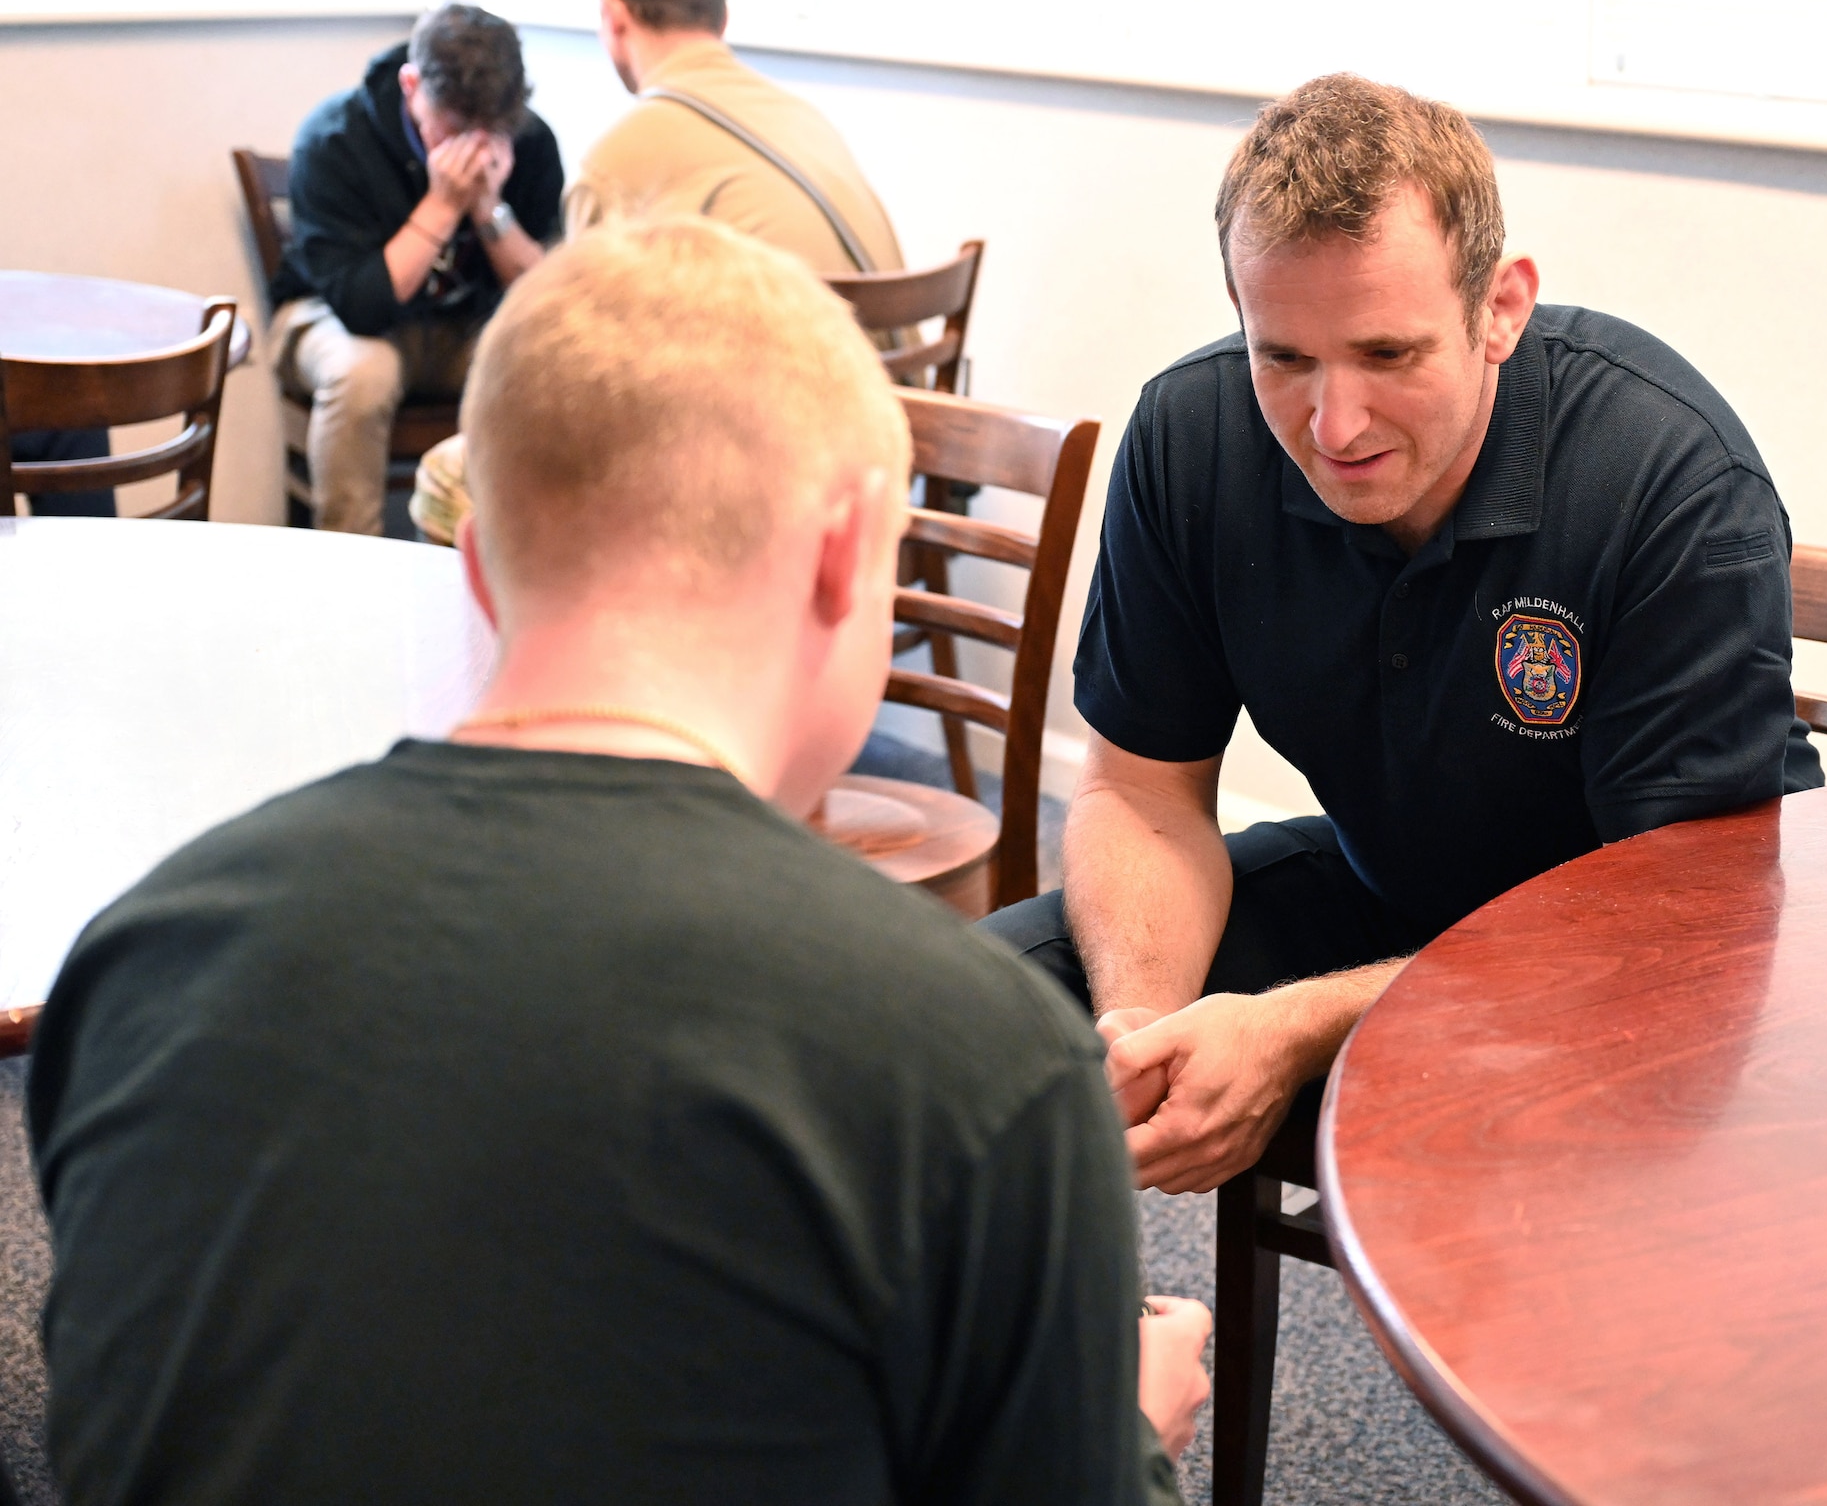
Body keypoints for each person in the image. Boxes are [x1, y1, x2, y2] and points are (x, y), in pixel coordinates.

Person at [30, 215, 1209, 1505]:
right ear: (841, 549)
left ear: (477, 570)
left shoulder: (137, 961)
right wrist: (1129, 1435)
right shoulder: (974, 1065)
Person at [984, 73, 1824, 1196]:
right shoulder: (1190, 436)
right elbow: (1137, 790)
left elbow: (1662, 942)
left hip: (1638, 968)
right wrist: (1144, 1026)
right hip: (1387, 884)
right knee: (974, 1021)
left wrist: (1289, 1028)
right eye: (1281, 356)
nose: (1333, 427)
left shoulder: (1665, 484)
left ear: (1499, 308)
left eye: (1386, 355)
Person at [410, 0, 906, 546]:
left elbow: (585, 378)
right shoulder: (806, 121)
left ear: (611, 15)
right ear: (721, 18)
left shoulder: (620, 160)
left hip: (775, 459)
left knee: (450, 478)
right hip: (882, 439)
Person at [269, 2, 563, 535]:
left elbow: (545, 299)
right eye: (453, 130)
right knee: (364, 374)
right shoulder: (335, 138)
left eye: (490, 129)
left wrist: (489, 209)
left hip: (461, 324)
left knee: (545, 356)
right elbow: (361, 306)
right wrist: (444, 204)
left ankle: (509, 555)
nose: (474, 148)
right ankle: (352, 568)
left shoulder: (530, 141)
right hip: (330, 315)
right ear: (410, 86)